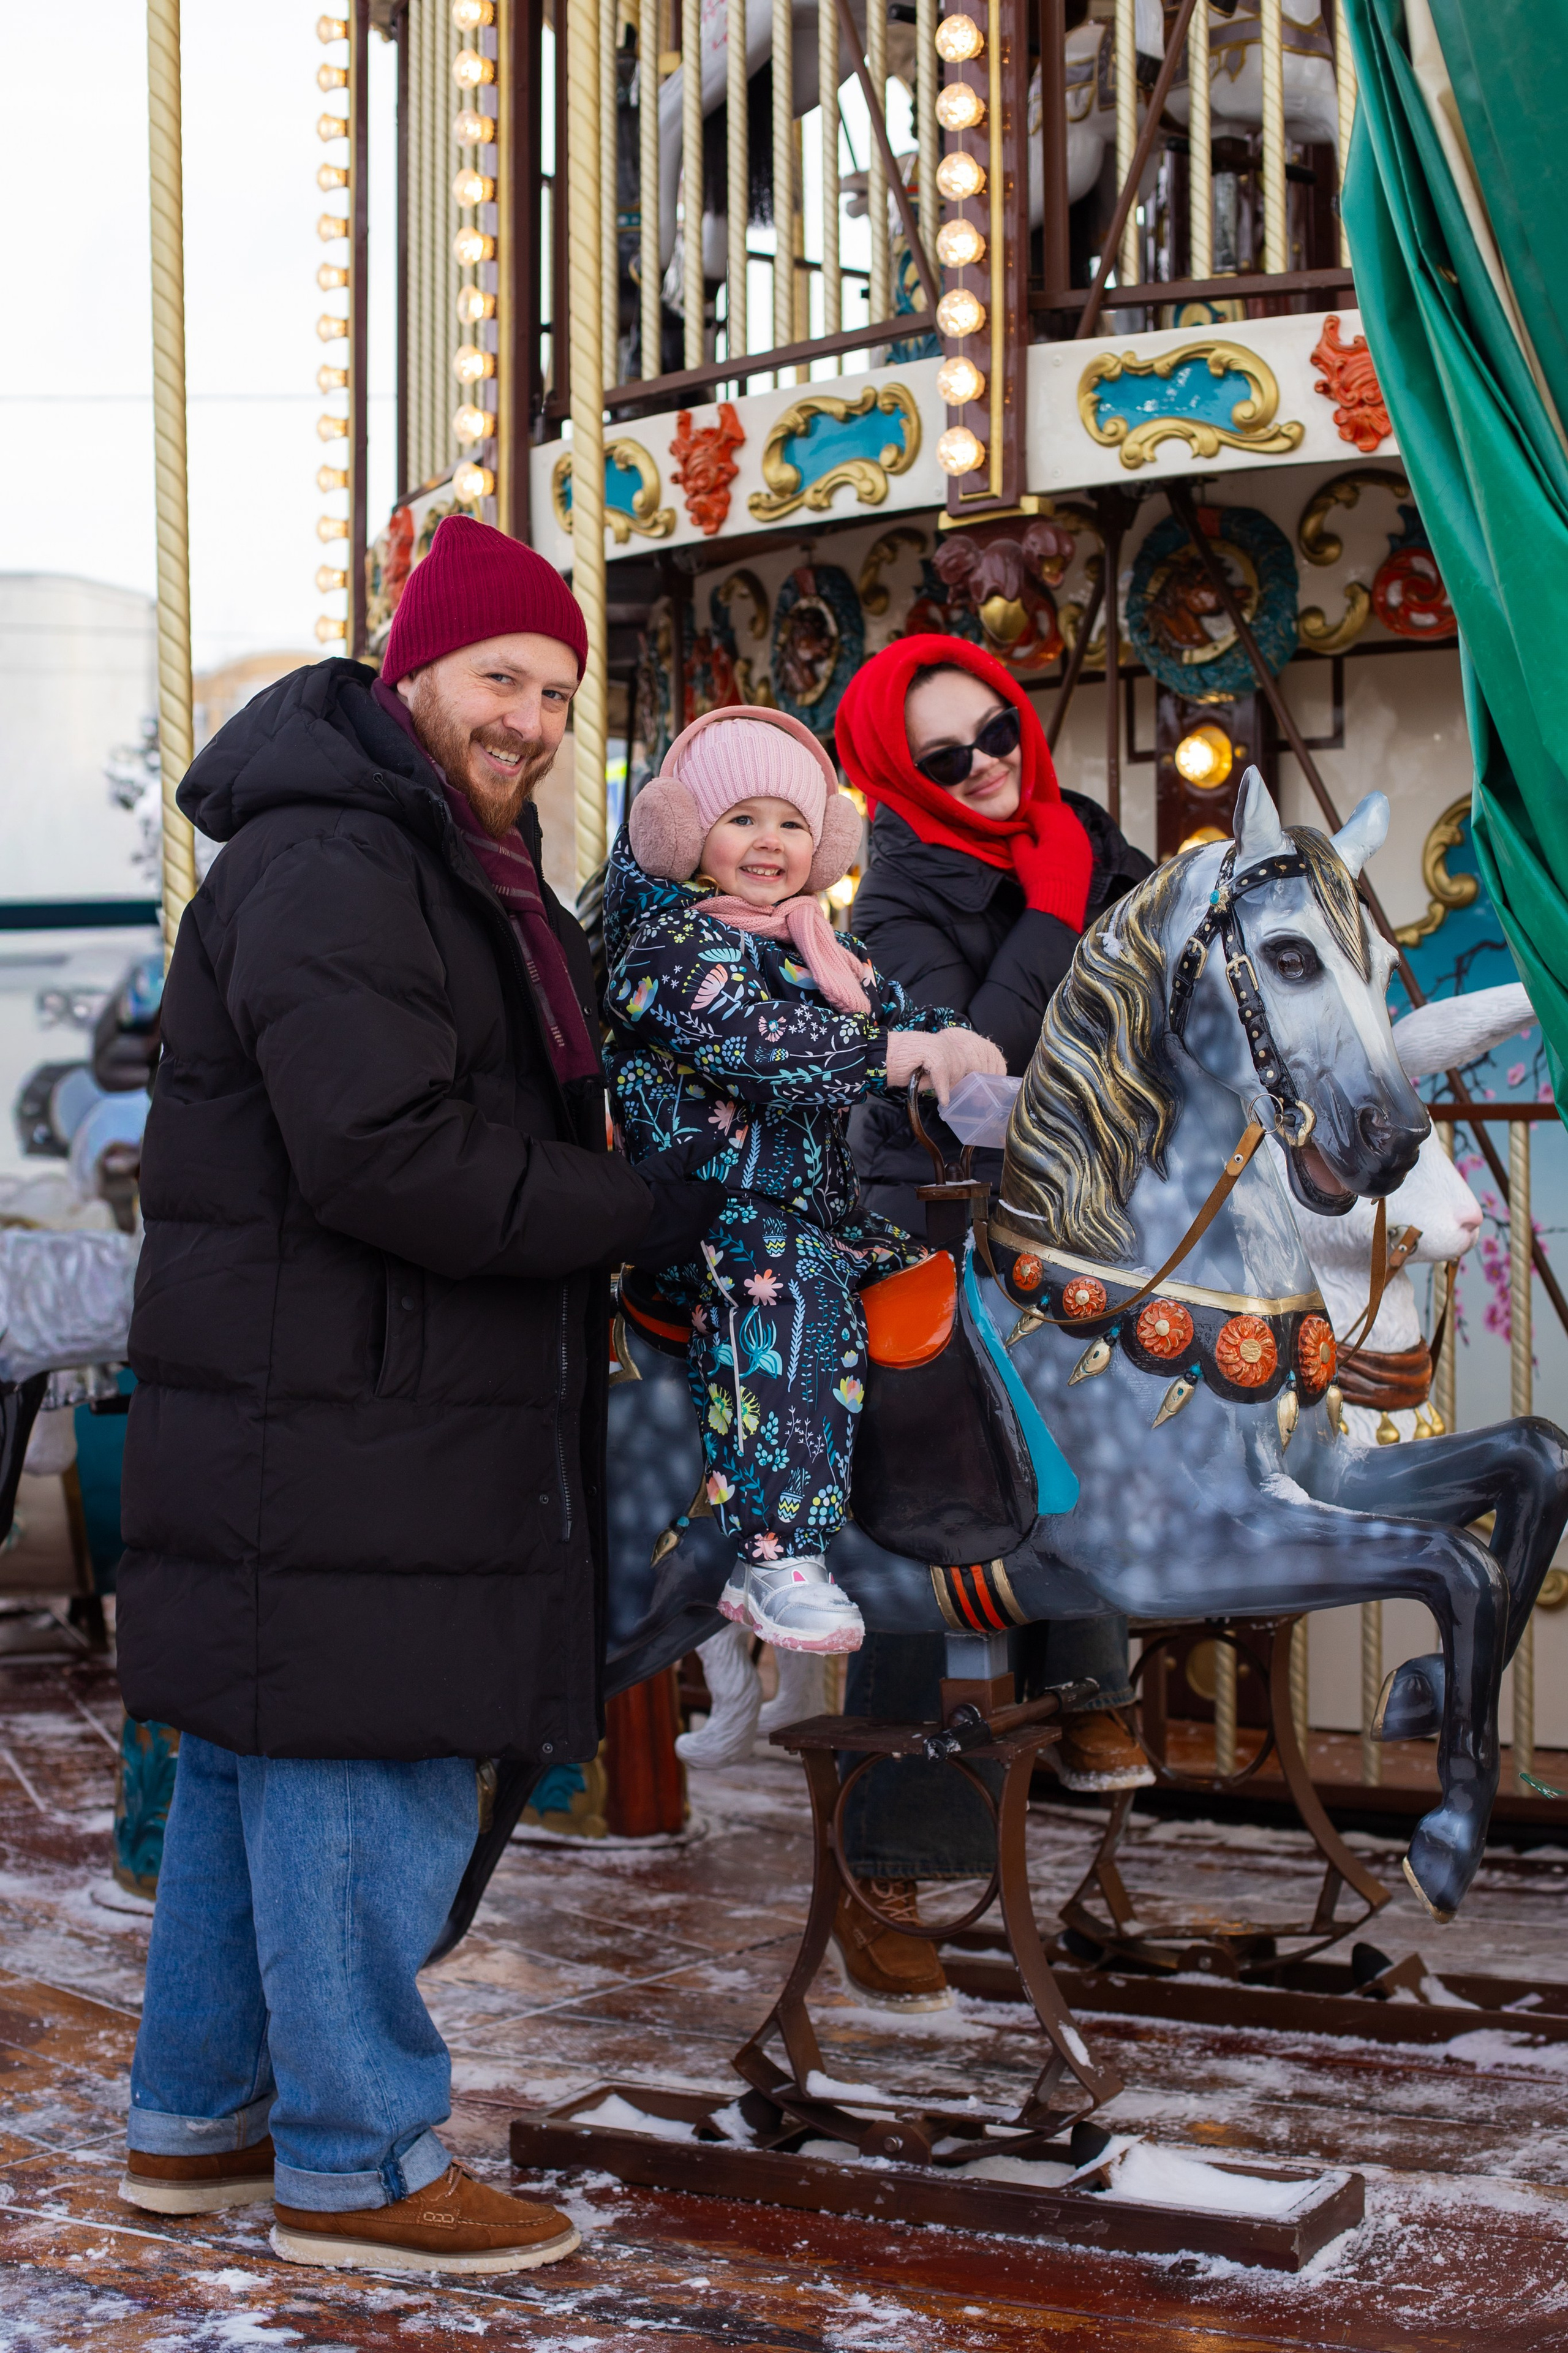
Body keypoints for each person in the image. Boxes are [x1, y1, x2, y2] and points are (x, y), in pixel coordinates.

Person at [113, 516, 723, 2274]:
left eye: (556, 693)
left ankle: (200, 2120)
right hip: (353, 1411)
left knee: (255, 1764)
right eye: (498, 677)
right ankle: (361, 2165)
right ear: (413, 673)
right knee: (355, 1755)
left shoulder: (435, 856)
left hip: (337, 1398)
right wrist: (644, 1208)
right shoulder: (340, 859)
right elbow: (385, 1151)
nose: (529, 719)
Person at [826, 634, 1155, 2011]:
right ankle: (890, 1866)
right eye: (945, 757)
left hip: (1066, 1203)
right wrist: (1056, 902)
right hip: (926, 1205)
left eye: (996, 734)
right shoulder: (896, 892)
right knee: (931, 1490)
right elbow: (976, 1053)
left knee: (1143, 1383)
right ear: (900, 776)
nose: (984, 767)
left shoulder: (1080, 832)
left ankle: (1086, 1661)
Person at [603, 705, 1005, 1652]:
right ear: (682, 831)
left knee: (942, 1282)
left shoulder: (822, 948)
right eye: (741, 818)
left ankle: (922, 1504)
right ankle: (777, 1553)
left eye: (791, 822)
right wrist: (896, 1054)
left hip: (817, 1212)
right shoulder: (665, 949)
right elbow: (759, 1044)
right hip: (703, 1213)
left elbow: (896, 1012)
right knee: (793, 1292)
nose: (770, 842)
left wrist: (955, 1041)